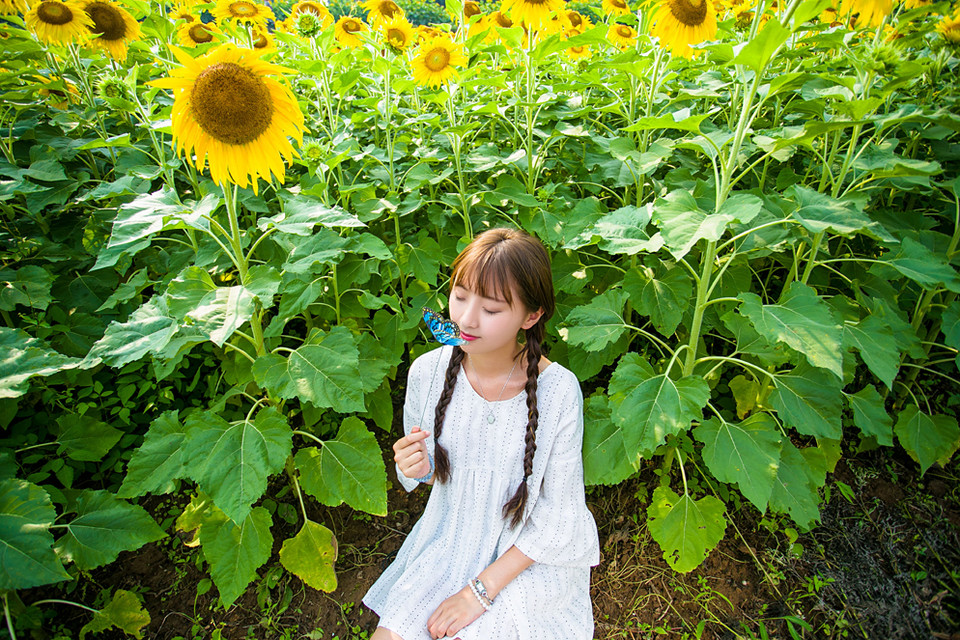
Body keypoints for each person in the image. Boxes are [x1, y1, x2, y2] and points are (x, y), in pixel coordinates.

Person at [362, 228, 600, 640]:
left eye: (491, 309)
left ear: (531, 316)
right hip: (448, 540)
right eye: (459, 295)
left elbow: (560, 516)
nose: (466, 319)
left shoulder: (559, 392)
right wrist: (415, 466)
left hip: (525, 559)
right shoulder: (428, 372)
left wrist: (478, 593)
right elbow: (433, 474)